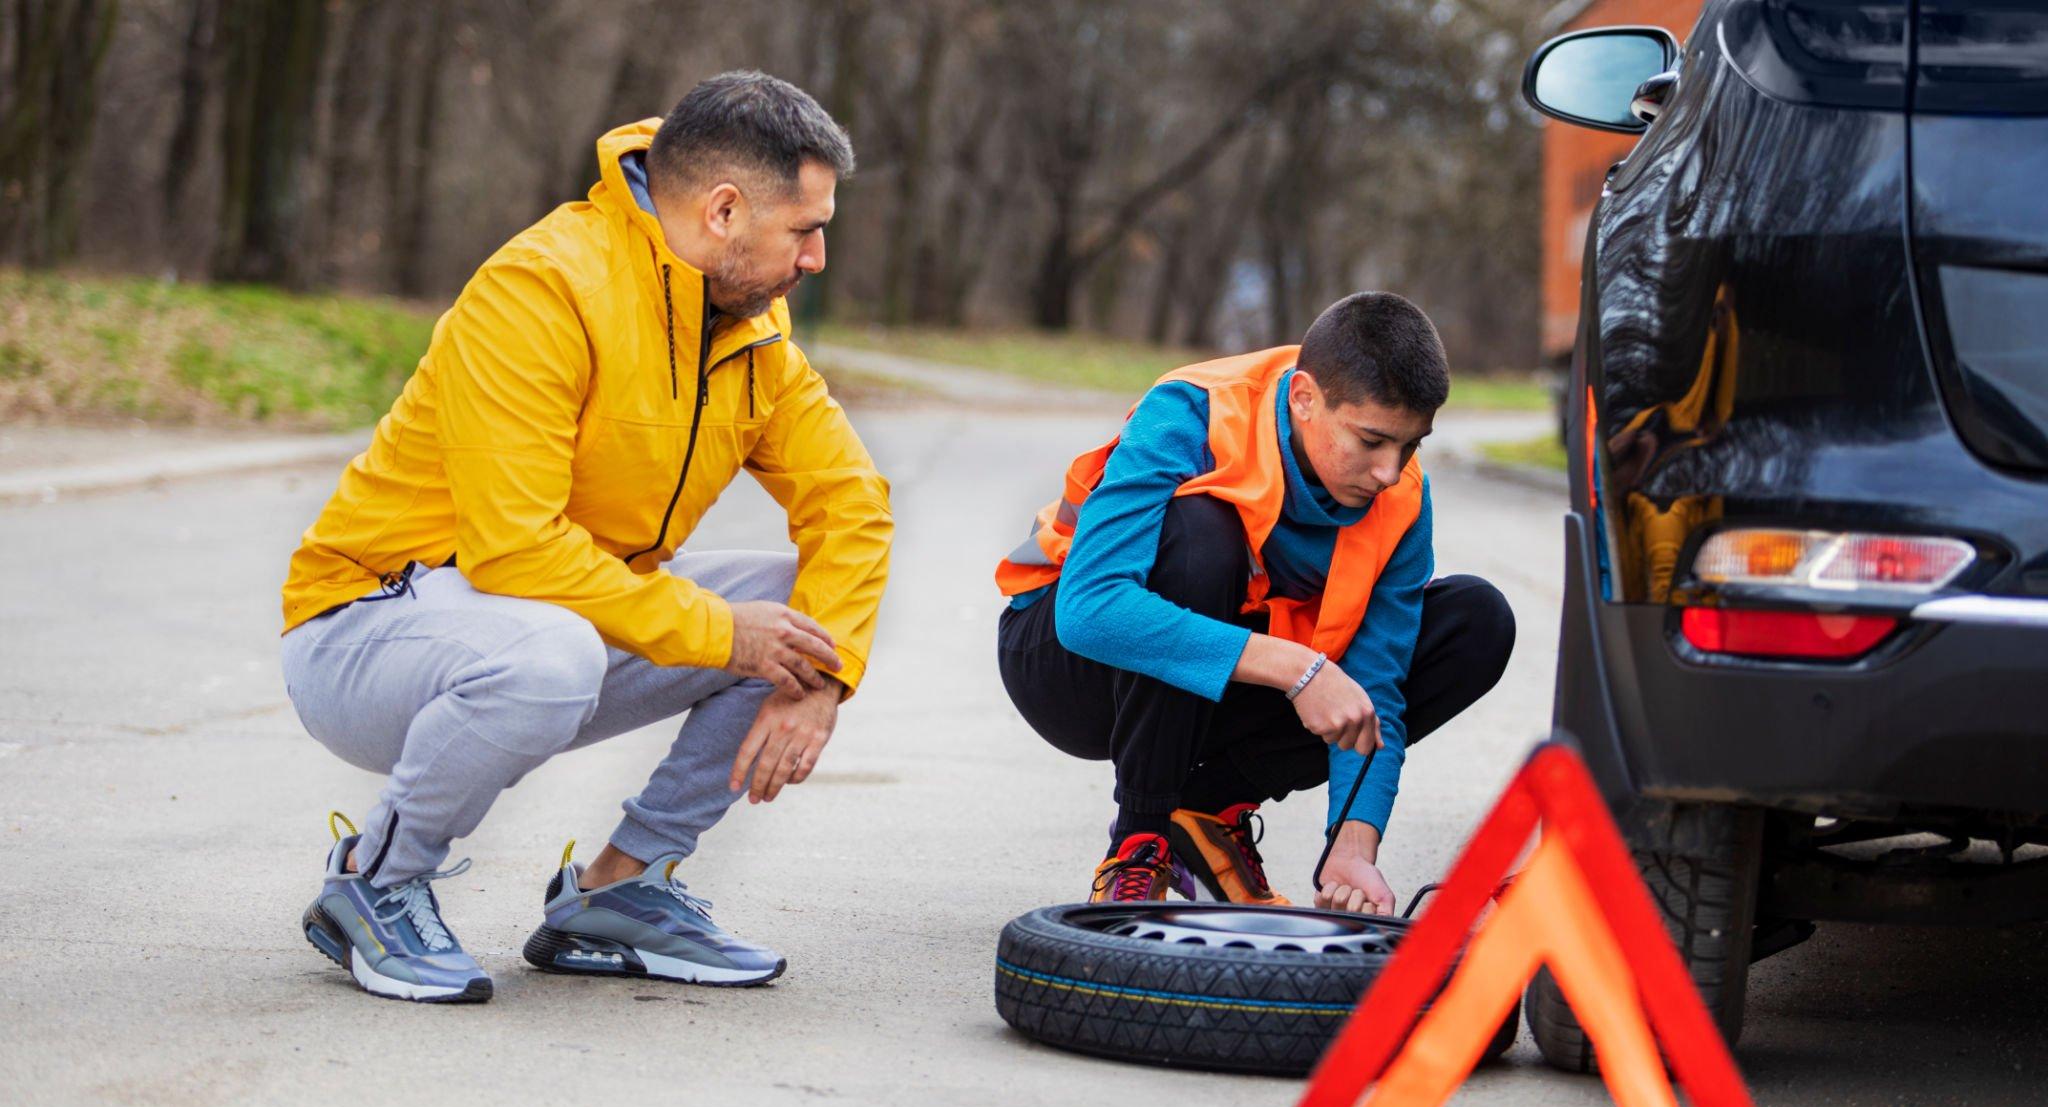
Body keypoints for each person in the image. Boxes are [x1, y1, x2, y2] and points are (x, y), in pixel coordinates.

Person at [279, 71, 891, 1003]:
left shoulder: (751, 334)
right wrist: (726, 634)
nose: (815, 258)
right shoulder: (546, 287)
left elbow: (852, 504)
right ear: (725, 210)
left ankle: (622, 887)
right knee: (565, 649)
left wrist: (825, 675)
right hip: (366, 632)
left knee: (801, 610)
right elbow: (513, 550)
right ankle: (377, 879)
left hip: (541, 626)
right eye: (805, 229)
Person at [994, 293, 1512, 913]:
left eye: (1409, 445)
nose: (1387, 471)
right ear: (1304, 399)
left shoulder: (1400, 495)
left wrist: (1353, 845)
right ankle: (1140, 840)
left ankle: (1210, 803)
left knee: (1478, 621)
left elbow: (1378, 690)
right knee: (1202, 534)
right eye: (1371, 440)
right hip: (1065, 665)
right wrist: (1299, 671)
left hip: (1217, 688)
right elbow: (1092, 610)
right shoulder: (1192, 411)